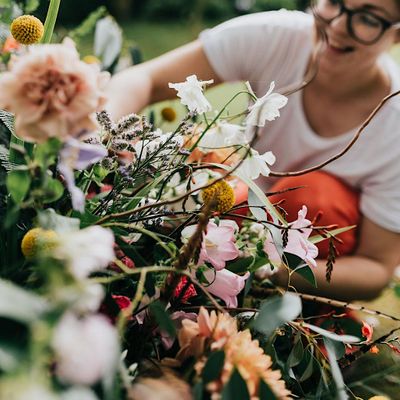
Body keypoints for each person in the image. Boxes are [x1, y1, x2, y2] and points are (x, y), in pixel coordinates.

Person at [106, 0, 400, 301]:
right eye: (334, 2)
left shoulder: (395, 126)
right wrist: (105, 137)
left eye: (367, 18)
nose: (337, 25)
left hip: (305, 265)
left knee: (314, 196)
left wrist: (262, 269)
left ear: (397, 34)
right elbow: (143, 78)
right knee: (197, 168)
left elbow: (375, 269)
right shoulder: (277, 35)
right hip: (233, 215)